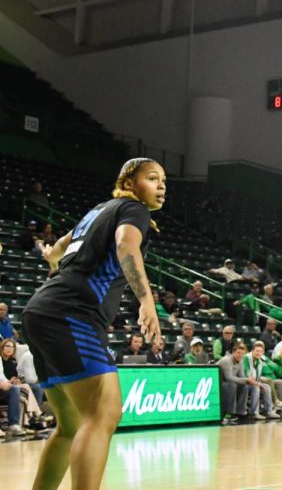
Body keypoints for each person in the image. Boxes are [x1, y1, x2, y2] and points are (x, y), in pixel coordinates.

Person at [20, 158, 165, 490]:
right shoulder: (134, 210)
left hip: (40, 311)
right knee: (103, 413)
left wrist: (53, 261)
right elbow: (126, 245)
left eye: (163, 181)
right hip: (73, 314)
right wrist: (146, 301)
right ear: (129, 184)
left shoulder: (97, 212)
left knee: (71, 426)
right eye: (152, 178)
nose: (161, 186)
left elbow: (58, 248)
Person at [216, 341, 250, 424]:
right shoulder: (226, 360)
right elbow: (229, 378)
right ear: (233, 352)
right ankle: (229, 413)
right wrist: (246, 380)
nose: (240, 355)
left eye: (242, 354)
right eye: (238, 353)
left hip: (228, 383)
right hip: (218, 383)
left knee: (245, 386)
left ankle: (240, 412)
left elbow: (241, 376)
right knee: (232, 385)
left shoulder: (241, 361)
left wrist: (249, 381)